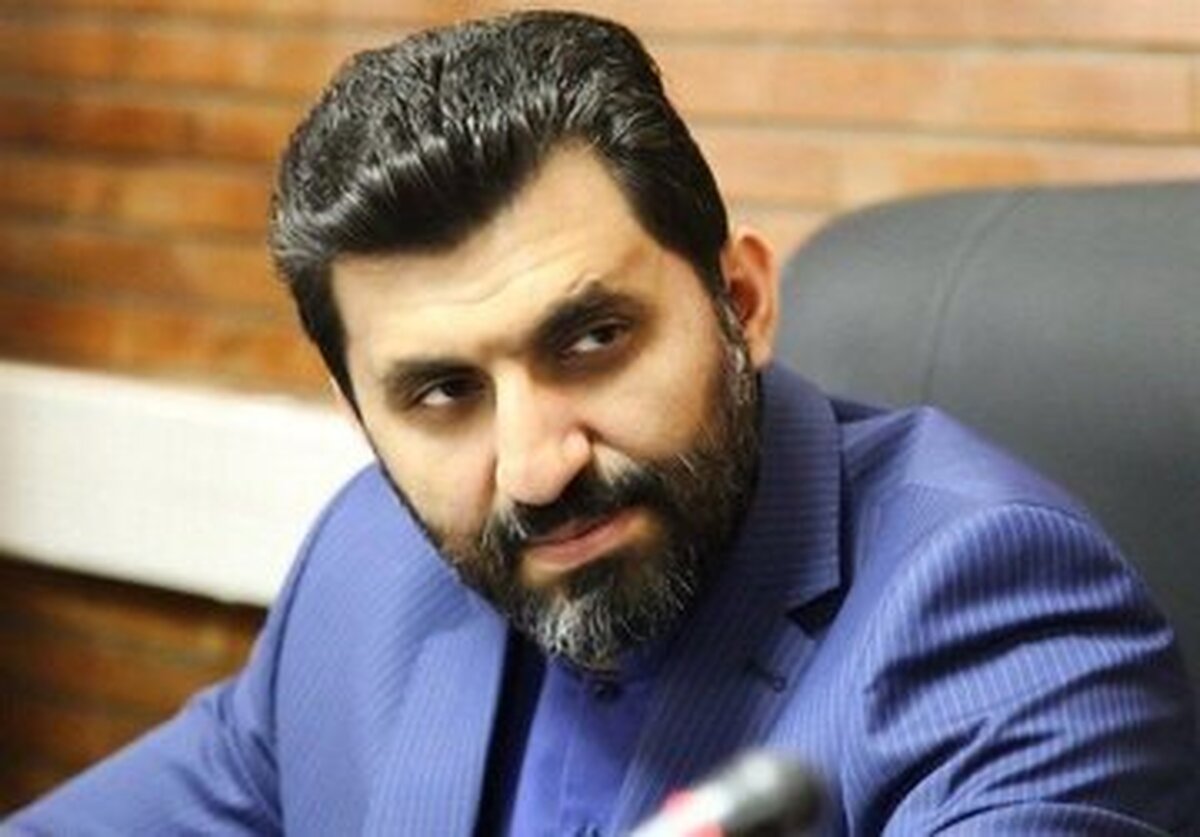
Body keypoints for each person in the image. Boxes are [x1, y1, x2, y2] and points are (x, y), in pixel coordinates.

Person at [9, 10, 1196, 835]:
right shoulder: (370, 560)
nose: (536, 466)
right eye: (441, 394)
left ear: (742, 302)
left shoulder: (995, 608)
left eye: (591, 340)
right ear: (364, 417)